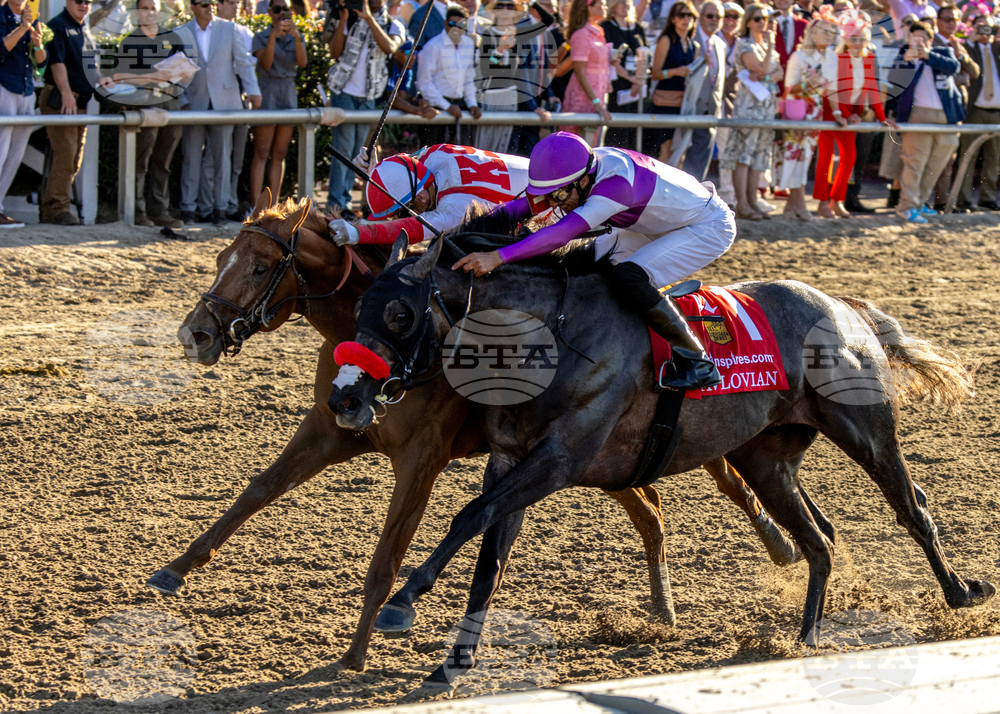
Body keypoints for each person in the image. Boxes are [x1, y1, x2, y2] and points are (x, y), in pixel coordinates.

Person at [451, 132, 733, 391]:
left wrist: (497, 257)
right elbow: (524, 205)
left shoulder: (615, 187)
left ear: (584, 181)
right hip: (656, 223)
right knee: (589, 265)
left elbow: (560, 235)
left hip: (706, 226)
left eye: (560, 195)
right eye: (551, 195)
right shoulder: (576, 169)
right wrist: (469, 230)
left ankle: (697, 360)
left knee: (628, 277)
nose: (555, 203)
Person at [328, 143, 530, 244]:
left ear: (421, 198)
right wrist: (375, 172)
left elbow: (410, 229)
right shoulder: (435, 153)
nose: (403, 217)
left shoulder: (454, 208)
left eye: (405, 211)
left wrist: (357, 233)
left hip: (552, 207)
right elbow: (406, 163)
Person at [101, 0, 187, 228]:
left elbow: (185, 70)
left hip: (171, 104)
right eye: (145, 8)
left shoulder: (173, 38)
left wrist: (179, 74)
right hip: (145, 104)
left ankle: (159, 211)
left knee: (164, 162)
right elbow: (118, 76)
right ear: (138, 12)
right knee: (141, 160)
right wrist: (149, 79)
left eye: (154, 8)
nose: (150, 13)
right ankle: (138, 212)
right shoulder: (130, 41)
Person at [178, 0, 261, 225]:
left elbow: (243, 63)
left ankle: (220, 208)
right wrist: (182, 100)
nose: (210, 7)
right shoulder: (181, 32)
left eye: (212, 3)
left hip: (225, 102)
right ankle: (188, 208)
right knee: (191, 157)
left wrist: (253, 91)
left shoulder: (229, 28)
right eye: (204, 4)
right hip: (194, 103)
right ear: (193, 7)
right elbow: (176, 72)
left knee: (223, 158)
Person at [323, 0, 405, 214]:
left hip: (369, 96)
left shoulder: (393, 24)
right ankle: (338, 204)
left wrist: (368, 18)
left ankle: (351, 201)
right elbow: (334, 53)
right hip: (344, 91)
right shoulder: (349, 18)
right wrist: (343, 20)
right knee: (344, 147)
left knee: (360, 153)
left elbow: (389, 47)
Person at [814, 11, 892, 218]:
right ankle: (822, 203)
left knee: (849, 158)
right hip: (831, 112)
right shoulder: (837, 59)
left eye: (862, 39)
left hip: (849, 116)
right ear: (846, 40)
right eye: (853, 39)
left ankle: (836, 201)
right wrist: (847, 115)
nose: (858, 43)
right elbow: (834, 91)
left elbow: (872, 90)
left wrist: (882, 117)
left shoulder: (868, 59)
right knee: (826, 158)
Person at [887, 19, 962, 223]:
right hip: (917, 116)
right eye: (914, 38)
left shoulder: (942, 54)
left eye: (922, 39)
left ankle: (919, 203)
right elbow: (892, 85)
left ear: (930, 40)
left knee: (936, 164)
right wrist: (907, 61)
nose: (918, 42)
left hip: (946, 117)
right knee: (915, 163)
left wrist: (928, 56)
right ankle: (906, 207)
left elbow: (954, 67)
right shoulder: (903, 58)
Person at [720, 3, 781, 221]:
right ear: (748, 22)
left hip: (766, 108)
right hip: (748, 108)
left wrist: (765, 74)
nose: (762, 22)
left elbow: (778, 72)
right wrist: (767, 70)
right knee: (743, 156)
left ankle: (753, 200)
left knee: (759, 156)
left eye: (764, 18)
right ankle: (742, 203)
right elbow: (765, 68)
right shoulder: (744, 44)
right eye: (757, 18)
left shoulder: (765, 45)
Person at [40, 0, 97, 226]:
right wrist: (65, 93)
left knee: (74, 158)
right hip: (62, 100)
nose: (84, 5)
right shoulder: (58, 25)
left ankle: (55, 206)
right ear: (67, 2)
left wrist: (103, 81)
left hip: (80, 101)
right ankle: (57, 208)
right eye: (79, 1)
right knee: (66, 155)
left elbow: (90, 65)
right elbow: (57, 63)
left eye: (88, 1)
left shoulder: (84, 28)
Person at [775, 12, 836, 220]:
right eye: (825, 31)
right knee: (794, 157)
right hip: (797, 113)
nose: (830, 35)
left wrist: (836, 112)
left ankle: (792, 207)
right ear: (813, 34)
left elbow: (832, 90)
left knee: (805, 158)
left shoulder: (832, 57)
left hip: (816, 115)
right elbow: (789, 88)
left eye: (832, 31)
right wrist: (811, 83)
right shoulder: (799, 56)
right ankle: (799, 204)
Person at [476, 0, 555, 155]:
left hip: (517, 102)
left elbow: (548, 20)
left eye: (510, 6)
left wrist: (531, 1)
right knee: (493, 155)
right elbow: (486, 69)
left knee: (517, 155)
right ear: (494, 11)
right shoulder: (488, 34)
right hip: (494, 103)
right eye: (500, 6)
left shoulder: (518, 34)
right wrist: (500, 50)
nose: (505, 9)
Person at [249, 0, 307, 204]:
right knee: (261, 152)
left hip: (288, 92)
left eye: (286, 9)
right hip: (267, 91)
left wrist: (297, 37)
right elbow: (265, 64)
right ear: (269, 12)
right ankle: (256, 204)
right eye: (277, 9)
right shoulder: (260, 36)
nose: (282, 13)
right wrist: (273, 35)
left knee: (279, 154)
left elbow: (302, 63)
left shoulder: (296, 36)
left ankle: (273, 206)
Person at [0, 0, 44, 228]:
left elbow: (41, 62)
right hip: (4, 86)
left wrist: (38, 44)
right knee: (1, 150)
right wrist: (23, 27)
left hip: (26, 89)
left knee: (15, 154)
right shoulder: (1, 15)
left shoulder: (34, 19)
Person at [418, 4, 481, 147]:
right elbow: (424, 83)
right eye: (452, 24)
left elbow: (469, 77)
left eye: (461, 25)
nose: (456, 29)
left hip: (459, 107)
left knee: (461, 156)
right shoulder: (433, 46)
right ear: (446, 23)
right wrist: (447, 106)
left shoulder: (469, 44)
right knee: (431, 156)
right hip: (436, 109)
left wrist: (472, 104)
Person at [679, 0, 725, 179]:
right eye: (710, 16)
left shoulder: (720, 44)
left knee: (701, 163)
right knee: (681, 159)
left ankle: (696, 201)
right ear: (700, 17)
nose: (714, 20)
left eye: (718, 16)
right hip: (688, 108)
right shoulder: (690, 39)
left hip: (710, 112)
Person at [958, 14, 1000, 211]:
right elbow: (964, 63)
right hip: (974, 110)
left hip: (996, 112)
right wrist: (971, 41)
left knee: (995, 158)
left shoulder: (997, 49)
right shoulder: (968, 47)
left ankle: (988, 197)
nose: (984, 31)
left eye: (988, 28)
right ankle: (964, 198)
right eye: (980, 27)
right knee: (968, 156)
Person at [218, 0, 255, 221]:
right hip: (220, 100)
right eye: (230, 2)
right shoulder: (210, 31)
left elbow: (249, 66)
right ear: (218, 5)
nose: (234, 6)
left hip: (242, 99)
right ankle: (215, 204)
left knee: (236, 157)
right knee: (218, 156)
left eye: (237, 3)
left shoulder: (244, 31)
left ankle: (231, 201)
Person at [649, 1, 697, 162]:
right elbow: (654, 73)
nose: (686, 19)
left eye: (689, 15)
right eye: (681, 15)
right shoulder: (666, 40)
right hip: (665, 104)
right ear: (673, 19)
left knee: (680, 151)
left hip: (684, 103)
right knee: (665, 149)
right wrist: (674, 72)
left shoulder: (693, 45)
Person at [561, 0, 613, 142]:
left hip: (597, 97)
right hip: (582, 98)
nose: (605, 7)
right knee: (574, 143)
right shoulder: (581, 34)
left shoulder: (599, 32)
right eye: (601, 4)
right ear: (589, 8)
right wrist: (595, 101)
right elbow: (579, 71)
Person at [601, 0, 648, 150]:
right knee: (616, 133)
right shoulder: (606, 27)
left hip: (636, 89)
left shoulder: (638, 28)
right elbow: (610, 59)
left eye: (628, 2)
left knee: (633, 133)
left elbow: (644, 56)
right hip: (615, 87)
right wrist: (630, 77)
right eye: (621, 2)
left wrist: (638, 81)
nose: (626, 5)